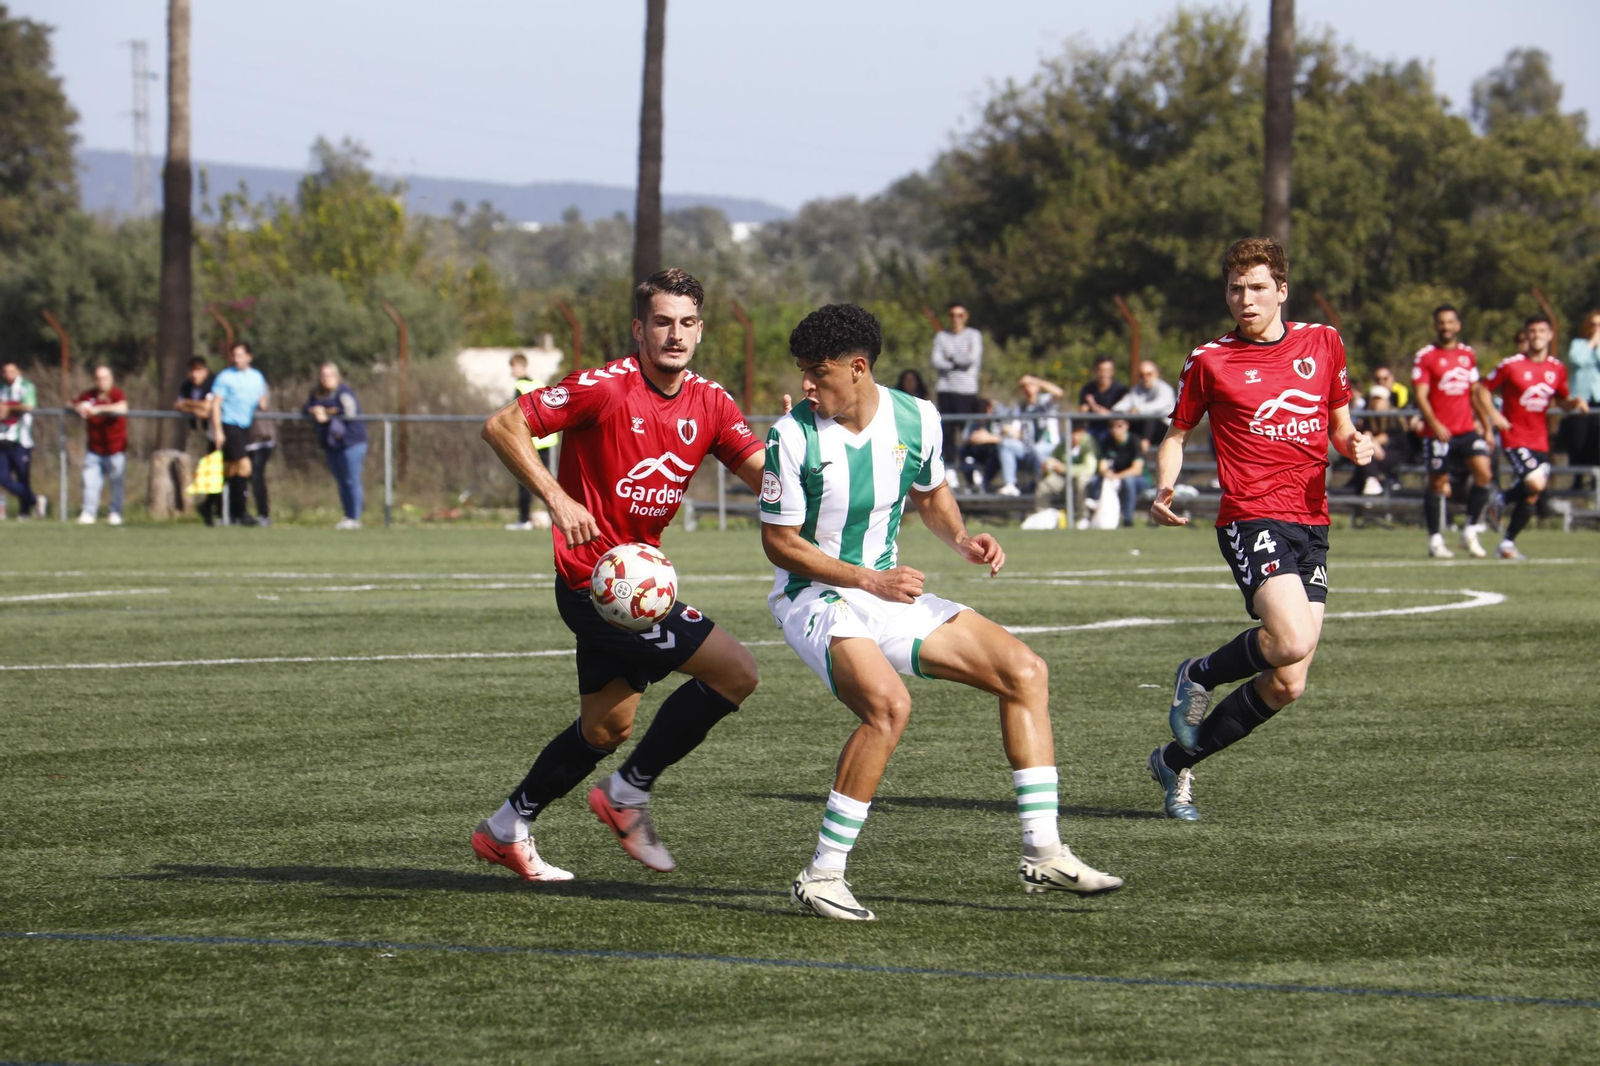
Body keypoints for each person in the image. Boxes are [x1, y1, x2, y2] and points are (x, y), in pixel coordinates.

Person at [762, 304, 1121, 921]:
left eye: (817, 373)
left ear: (857, 368)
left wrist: (960, 539)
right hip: (813, 595)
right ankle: (821, 875)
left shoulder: (917, 417)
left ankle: (1043, 851)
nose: (807, 386)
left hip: (885, 593)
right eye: (804, 373)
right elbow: (780, 544)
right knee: (888, 707)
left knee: (1025, 672)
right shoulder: (791, 435)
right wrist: (869, 579)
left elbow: (931, 495)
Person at [472, 268, 766, 882]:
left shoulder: (711, 402)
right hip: (597, 583)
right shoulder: (604, 388)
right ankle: (628, 792)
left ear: (701, 330)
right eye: (662, 322)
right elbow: (503, 425)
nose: (675, 335)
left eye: (686, 323)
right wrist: (557, 498)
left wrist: (800, 445)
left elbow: (766, 481)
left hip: (634, 586)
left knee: (606, 728)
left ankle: (505, 829)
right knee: (736, 671)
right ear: (639, 328)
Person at [1146, 237, 1371, 822]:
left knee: (1288, 681)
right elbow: (1176, 435)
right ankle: (1198, 674)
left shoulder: (1324, 342)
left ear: (1282, 291)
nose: (1245, 300)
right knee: (1290, 639)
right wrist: (1165, 487)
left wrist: (1355, 443)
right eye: (1235, 289)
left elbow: (1340, 426)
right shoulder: (1209, 360)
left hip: (1311, 522)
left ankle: (1174, 762)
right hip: (1251, 515)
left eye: (1257, 288)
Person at [1481, 315, 1589, 560]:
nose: (1537, 335)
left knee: (1531, 494)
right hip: (1514, 436)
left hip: (1539, 439)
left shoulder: (1557, 368)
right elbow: (1481, 389)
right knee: (1536, 483)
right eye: (1532, 331)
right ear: (1526, 335)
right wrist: (1493, 415)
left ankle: (1507, 544)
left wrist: (1575, 403)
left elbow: (1561, 400)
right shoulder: (1511, 365)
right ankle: (1500, 498)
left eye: (1542, 331)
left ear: (1550, 335)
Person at [1412, 306, 1498, 559]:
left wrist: (1487, 427)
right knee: (1437, 483)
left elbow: (1474, 393)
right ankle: (1435, 539)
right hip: (1439, 433)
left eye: (1450, 322)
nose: (1446, 327)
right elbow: (1421, 395)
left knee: (1484, 473)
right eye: (1441, 322)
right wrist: (1435, 424)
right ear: (1435, 326)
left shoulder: (1467, 354)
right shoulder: (1425, 356)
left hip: (1466, 429)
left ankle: (1469, 531)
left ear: (1458, 325)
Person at [209, 342, 269, 526]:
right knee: (244, 467)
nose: (236, 359)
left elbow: (262, 401)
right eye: (234, 355)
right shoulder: (225, 377)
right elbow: (216, 405)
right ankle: (241, 512)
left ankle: (220, 509)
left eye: (240, 355)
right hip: (230, 425)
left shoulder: (257, 377)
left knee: (231, 471)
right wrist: (218, 431)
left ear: (249, 357)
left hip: (246, 427)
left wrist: (263, 402)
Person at [304, 363, 368, 530]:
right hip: (332, 444)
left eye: (329, 375)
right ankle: (348, 516)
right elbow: (306, 408)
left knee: (351, 479)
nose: (325, 379)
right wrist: (314, 411)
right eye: (323, 376)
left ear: (337, 377)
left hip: (351, 442)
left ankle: (355, 518)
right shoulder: (318, 393)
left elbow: (350, 411)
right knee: (342, 481)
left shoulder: (344, 392)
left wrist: (326, 412)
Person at [930, 301, 983, 484]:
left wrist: (950, 357)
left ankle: (972, 468)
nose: (955, 319)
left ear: (966, 317)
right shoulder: (941, 337)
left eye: (960, 315)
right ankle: (950, 469)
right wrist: (958, 361)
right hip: (946, 390)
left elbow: (971, 359)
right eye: (952, 315)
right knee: (947, 431)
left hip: (967, 391)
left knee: (968, 431)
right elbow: (936, 361)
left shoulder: (973, 335)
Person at [505, 352, 557, 531]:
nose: (512, 370)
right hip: (548, 440)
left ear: (522, 367)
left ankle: (524, 519)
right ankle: (555, 518)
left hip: (531, 442)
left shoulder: (520, 386)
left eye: (513, 367)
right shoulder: (539, 384)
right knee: (549, 483)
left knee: (525, 481)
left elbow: (515, 415)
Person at [74, 364, 129, 525]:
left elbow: (122, 407)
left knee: (116, 483)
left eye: (105, 378)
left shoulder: (117, 394)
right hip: (94, 449)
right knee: (89, 483)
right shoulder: (89, 395)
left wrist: (99, 409)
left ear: (111, 379)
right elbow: (73, 402)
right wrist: (79, 407)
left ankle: (115, 512)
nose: (101, 381)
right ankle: (89, 512)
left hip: (115, 449)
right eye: (98, 378)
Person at [996, 373, 1063, 496]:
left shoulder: (1045, 401)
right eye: (1023, 386)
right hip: (1028, 447)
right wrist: (1008, 430)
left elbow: (1059, 393)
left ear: (1037, 386)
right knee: (1006, 444)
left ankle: (1040, 485)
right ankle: (1010, 484)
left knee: (1038, 449)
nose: (1027, 388)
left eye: (1030, 385)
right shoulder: (1021, 407)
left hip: (1048, 445)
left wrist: (1035, 380)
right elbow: (1016, 431)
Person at [174, 356, 221, 525]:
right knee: (208, 474)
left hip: (216, 434)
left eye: (199, 370)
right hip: (199, 434)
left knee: (218, 473)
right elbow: (178, 405)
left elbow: (208, 408)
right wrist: (196, 407)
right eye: (193, 370)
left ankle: (217, 509)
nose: (195, 374)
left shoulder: (214, 383)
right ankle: (208, 508)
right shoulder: (186, 385)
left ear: (206, 371)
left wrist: (188, 405)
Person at [0, 359, 42, 518]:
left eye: (12, 371)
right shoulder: (2, 387)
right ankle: (34, 500)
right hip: (2, 438)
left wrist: (9, 407)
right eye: (5, 372)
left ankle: (24, 512)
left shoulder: (26, 386)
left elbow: (29, 405)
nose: (8, 375)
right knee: (3, 478)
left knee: (23, 477)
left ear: (19, 371)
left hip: (21, 440)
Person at [1086, 418, 1147, 527]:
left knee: (1128, 481)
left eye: (1119, 426)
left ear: (1126, 426)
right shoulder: (1107, 441)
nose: (1115, 429)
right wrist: (1107, 473)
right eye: (1111, 426)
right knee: (1094, 480)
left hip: (1138, 480)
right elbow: (1102, 466)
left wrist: (1117, 476)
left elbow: (1137, 469)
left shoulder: (1134, 441)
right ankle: (1094, 514)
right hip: (1114, 479)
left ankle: (1128, 519)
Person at [1563, 310, 1600, 487]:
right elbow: (1577, 360)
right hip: (1580, 399)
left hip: (1598, 399)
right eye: (1593, 324)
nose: (1596, 328)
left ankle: (1595, 479)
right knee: (1578, 439)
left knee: (1597, 439)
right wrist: (1592, 343)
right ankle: (1577, 478)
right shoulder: (1578, 344)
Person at [1112, 360, 1177, 446]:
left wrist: (1138, 410)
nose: (1145, 378)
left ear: (1156, 373)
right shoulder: (1137, 389)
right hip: (1144, 429)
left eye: (1149, 374)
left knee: (1150, 418)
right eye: (1141, 375)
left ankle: (1143, 445)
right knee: (1123, 423)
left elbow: (1158, 406)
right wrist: (1119, 412)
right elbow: (1123, 404)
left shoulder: (1165, 389)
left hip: (1166, 430)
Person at [1078, 355, 1129, 445]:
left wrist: (1093, 405)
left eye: (1108, 370)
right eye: (1101, 370)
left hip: (1111, 430)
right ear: (1096, 371)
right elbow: (1082, 411)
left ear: (1112, 372)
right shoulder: (1088, 389)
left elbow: (1116, 417)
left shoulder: (1120, 390)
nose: (1104, 374)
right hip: (1091, 428)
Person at [245, 384, 276, 526]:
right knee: (241, 478)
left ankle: (263, 514)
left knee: (256, 476)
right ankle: (239, 512)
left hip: (262, 439)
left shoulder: (257, 382)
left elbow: (263, 403)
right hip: (244, 439)